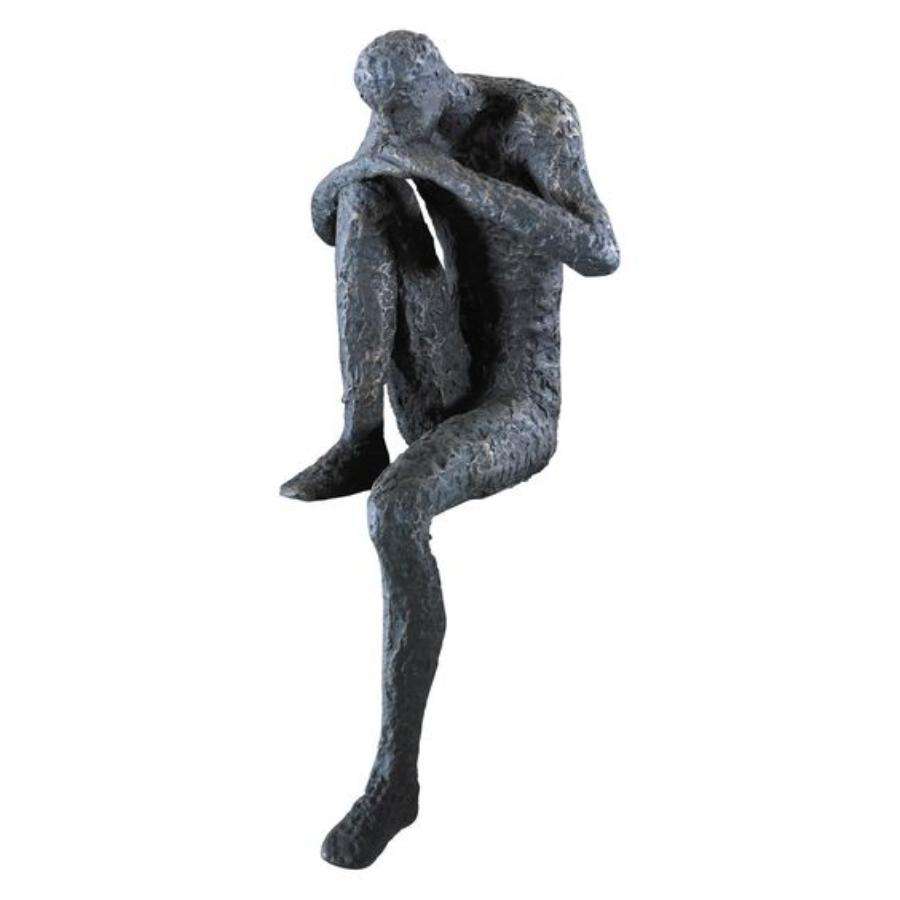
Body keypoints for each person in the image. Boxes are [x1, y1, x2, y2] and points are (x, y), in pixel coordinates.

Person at [281, 31, 619, 868]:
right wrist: (361, 173)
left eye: (406, 109)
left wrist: (454, 178)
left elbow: (601, 252)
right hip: (438, 372)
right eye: (384, 114)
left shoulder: (536, 119)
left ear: (441, 77)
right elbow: (330, 211)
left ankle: (394, 779)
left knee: (395, 511)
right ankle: (360, 434)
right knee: (366, 202)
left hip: (517, 401)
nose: (396, 124)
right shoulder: (404, 111)